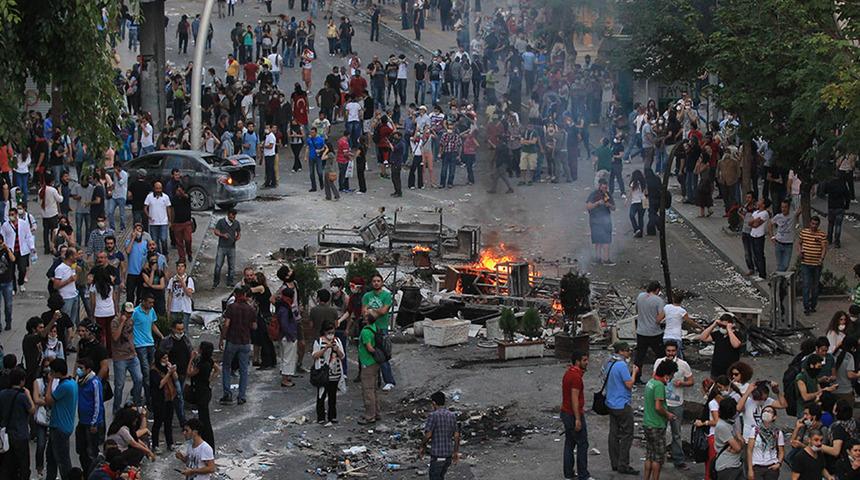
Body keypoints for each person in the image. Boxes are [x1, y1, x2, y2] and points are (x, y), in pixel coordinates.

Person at [654, 340, 694, 470]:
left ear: (676, 351)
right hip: (662, 402)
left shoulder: (683, 365)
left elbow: (691, 381)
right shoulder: (659, 362)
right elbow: (654, 378)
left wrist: (682, 383)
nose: (670, 353)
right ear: (665, 351)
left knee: (676, 433)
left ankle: (678, 460)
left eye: (673, 351)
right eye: (668, 351)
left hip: (677, 404)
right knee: (660, 432)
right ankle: (658, 459)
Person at [603, 341, 639, 475]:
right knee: (626, 435)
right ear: (622, 351)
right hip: (622, 404)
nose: (629, 352)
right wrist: (634, 372)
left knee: (613, 434)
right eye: (628, 350)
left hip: (610, 403)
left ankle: (615, 462)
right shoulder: (621, 365)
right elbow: (629, 384)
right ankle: (623, 464)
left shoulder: (609, 363)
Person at [643, 359, 678, 480]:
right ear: (667, 375)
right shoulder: (659, 386)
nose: (672, 378)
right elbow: (658, 407)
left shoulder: (650, 382)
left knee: (649, 455)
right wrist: (668, 414)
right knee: (658, 458)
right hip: (656, 425)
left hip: (647, 423)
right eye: (672, 375)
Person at [219, 286, 255, 405]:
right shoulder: (251, 309)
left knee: (226, 367)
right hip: (245, 342)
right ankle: (242, 396)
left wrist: (221, 338)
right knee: (244, 370)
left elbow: (226, 324)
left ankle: (227, 394)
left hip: (232, 340)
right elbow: (254, 326)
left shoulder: (231, 307)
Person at [0, 367, 36, 480]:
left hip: (6, 434)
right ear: (22, 381)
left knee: (7, 465)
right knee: (23, 465)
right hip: (20, 435)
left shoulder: (2, 394)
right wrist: (29, 394)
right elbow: (32, 410)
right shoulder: (22, 397)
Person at [560, 350, 591, 480]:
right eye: (584, 360)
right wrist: (578, 419)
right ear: (577, 361)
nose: (587, 362)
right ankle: (583, 475)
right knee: (582, 444)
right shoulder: (576, 377)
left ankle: (568, 474)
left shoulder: (569, 373)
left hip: (566, 412)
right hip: (573, 414)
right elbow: (574, 398)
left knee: (569, 443)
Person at [45, 358, 78, 480]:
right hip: (62, 425)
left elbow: (48, 400)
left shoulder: (64, 386)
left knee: (62, 460)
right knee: (51, 457)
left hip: (60, 427)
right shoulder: (72, 383)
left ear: (57, 372)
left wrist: (49, 382)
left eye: (52, 372)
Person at [362, 273, 395, 390]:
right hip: (370, 328)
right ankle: (374, 379)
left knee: (382, 355)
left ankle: (389, 381)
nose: (376, 283)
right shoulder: (366, 296)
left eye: (378, 281)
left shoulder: (386, 295)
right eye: (374, 281)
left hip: (382, 328)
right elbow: (364, 312)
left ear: (382, 282)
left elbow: (384, 311)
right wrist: (376, 311)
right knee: (369, 353)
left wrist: (371, 310)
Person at [419, 391, 460, 480]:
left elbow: (428, 435)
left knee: (434, 477)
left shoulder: (433, 415)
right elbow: (456, 436)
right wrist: (455, 452)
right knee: (441, 476)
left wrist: (422, 446)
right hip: (448, 455)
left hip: (437, 455)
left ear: (434, 403)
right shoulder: (452, 415)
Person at [159, 319, 192, 427]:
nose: (180, 332)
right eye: (178, 330)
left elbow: (190, 352)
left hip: (183, 373)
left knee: (179, 396)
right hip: (172, 374)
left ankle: (178, 418)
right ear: (173, 329)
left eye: (182, 329)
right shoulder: (166, 342)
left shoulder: (185, 339)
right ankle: (182, 420)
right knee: (178, 397)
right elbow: (161, 357)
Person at [74, 357, 105, 475]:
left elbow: (98, 404)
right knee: (81, 451)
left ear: (88, 369)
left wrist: (94, 422)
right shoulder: (80, 381)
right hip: (82, 421)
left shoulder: (95, 382)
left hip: (91, 423)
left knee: (92, 452)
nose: (78, 370)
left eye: (81, 368)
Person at [111, 302, 143, 412]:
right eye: (127, 313)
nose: (129, 315)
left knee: (139, 379)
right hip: (119, 357)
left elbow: (130, 335)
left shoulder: (131, 321)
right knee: (119, 385)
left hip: (131, 355)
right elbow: (115, 337)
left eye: (131, 313)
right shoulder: (115, 322)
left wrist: (133, 349)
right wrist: (122, 322)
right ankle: (116, 408)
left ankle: (137, 403)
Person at [132, 294, 162, 408]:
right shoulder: (135, 312)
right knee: (146, 372)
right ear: (143, 301)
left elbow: (152, 325)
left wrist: (161, 336)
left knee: (152, 370)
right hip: (140, 345)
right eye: (149, 302)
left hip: (150, 343)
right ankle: (148, 400)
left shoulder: (151, 311)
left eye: (152, 303)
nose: (151, 305)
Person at [312, 320, 344, 425]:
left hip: (335, 373)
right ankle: (321, 416)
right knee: (321, 395)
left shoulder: (337, 341)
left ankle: (332, 416)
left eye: (332, 332)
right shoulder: (318, 341)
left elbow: (342, 356)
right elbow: (315, 356)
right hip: (323, 374)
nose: (331, 334)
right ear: (324, 332)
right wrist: (325, 349)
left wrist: (336, 349)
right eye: (329, 332)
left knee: (332, 396)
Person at [186, 341, 217, 448]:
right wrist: (209, 379)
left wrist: (190, 359)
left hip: (200, 393)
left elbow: (189, 373)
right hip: (205, 390)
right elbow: (217, 369)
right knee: (204, 418)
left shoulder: (201, 364)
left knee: (204, 420)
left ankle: (208, 443)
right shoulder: (209, 361)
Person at [634, 281, 666, 379]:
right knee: (661, 356)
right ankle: (662, 375)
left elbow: (637, 310)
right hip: (654, 333)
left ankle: (636, 377)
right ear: (657, 290)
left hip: (641, 332)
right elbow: (658, 319)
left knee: (639, 357)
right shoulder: (658, 300)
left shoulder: (640, 296)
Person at [700, 313, 746, 378]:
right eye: (721, 326)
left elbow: (736, 345)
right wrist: (714, 325)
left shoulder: (737, 334)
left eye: (724, 326)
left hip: (730, 370)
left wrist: (729, 330)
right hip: (716, 370)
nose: (722, 328)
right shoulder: (718, 334)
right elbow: (703, 338)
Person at [797, 216, 827, 315]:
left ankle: (813, 304)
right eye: (812, 223)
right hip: (805, 263)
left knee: (815, 286)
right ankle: (806, 307)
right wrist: (800, 252)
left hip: (816, 264)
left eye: (816, 224)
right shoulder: (804, 232)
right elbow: (799, 243)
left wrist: (821, 259)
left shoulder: (821, 235)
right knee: (806, 285)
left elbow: (824, 248)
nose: (814, 226)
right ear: (810, 223)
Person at [746, 405, 785, 480]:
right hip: (757, 467)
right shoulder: (755, 430)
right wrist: (750, 469)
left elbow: (781, 451)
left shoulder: (777, 433)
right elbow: (749, 450)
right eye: (764, 411)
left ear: (774, 417)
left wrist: (779, 463)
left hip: (771, 467)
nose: (766, 413)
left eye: (769, 411)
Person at [149, 350, 177, 452]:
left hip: (169, 398)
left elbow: (176, 378)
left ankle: (170, 443)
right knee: (158, 422)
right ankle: (155, 445)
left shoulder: (167, 368)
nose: (166, 360)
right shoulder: (154, 371)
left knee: (168, 422)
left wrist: (172, 371)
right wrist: (168, 373)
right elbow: (160, 384)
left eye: (167, 358)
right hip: (159, 399)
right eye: (164, 358)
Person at [714, 397, 745, 480]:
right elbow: (738, 448)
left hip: (735, 464)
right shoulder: (722, 426)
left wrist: (738, 441)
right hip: (726, 467)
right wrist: (738, 437)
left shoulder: (731, 422)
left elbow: (741, 444)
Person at [586, 178, 616, 265]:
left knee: (606, 240)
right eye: (603, 188)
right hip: (595, 220)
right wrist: (597, 203)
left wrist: (609, 205)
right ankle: (597, 259)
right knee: (598, 241)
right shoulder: (593, 195)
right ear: (599, 186)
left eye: (606, 188)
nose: (605, 189)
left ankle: (606, 259)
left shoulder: (608, 195)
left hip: (606, 220)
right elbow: (588, 207)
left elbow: (614, 208)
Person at [358, 314, 380, 425]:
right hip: (375, 363)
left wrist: (375, 353)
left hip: (367, 363)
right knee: (374, 389)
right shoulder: (375, 327)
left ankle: (370, 416)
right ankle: (376, 412)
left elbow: (369, 348)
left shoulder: (365, 332)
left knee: (368, 391)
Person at [275, 286, 299, 388]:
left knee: (285, 356)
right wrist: (291, 335)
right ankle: (285, 379)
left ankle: (286, 375)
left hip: (283, 336)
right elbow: (285, 324)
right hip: (288, 336)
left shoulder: (281, 306)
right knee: (288, 358)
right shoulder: (285, 308)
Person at [212, 209, 240, 288]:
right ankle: (216, 282)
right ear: (228, 214)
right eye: (232, 216)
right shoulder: (221, 222)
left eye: (234, 216)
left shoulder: (236, 223)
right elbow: (216, 231)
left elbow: (239, 232)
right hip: (222, 247)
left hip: (232, 247)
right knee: (218, 265)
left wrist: (237, 238)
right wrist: (222, 235)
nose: (233, 218)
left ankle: (230, 282)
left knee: (232, 266)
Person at [53, 247, 80, 327]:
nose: (78, 256)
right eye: (76, 255)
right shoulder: (60, 269)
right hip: (66, 298)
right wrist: (68, 280)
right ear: (71, 256)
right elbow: (56, 286)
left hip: (74, 295)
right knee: (65, 321)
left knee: (72, 321)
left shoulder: (73, 266)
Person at [167, 260, 195, 332]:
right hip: (174, 308)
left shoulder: (189, 279)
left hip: (184, 308)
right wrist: (168, 309)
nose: (180, 268)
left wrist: (183, 283)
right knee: (173, 330)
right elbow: (170, 295)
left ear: (185, 268)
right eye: (178, 266)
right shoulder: (172, 279)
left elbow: (189, 294)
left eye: (182, 266)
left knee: (184, 330)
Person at [143, 181, 171, 256]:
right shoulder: (149, 196)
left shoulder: (165, 197)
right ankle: (158, 254)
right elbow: (145, 207)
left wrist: (169, 220)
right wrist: (148, 215)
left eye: (160, 188)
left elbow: (168, 208)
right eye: (157, 188)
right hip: (153, 222)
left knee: (163, 239)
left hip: (163, 222)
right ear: (154, 188)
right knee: (155, 240)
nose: (158, 190)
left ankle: (165, 254)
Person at [770, 199, 795, 272]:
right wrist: (772, 236)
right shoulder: (778, 216)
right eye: (782, 207)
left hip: (788, 244)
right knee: (780, 264)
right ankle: (779, 281)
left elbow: (800, 209)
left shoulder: (793, 215)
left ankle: (776, 278)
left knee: (785, 265)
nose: (783, 209)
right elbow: (770, 224)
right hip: (778, 243)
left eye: (785, 207)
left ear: (789, 208)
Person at [749, 198, 770, 281]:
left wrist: (753, 222)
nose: (758, 201)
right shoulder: (756, 212)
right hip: (753, 234)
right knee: (755, 254)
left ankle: (762, 274)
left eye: (760, 201)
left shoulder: (765, 214)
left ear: (763, 204)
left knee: (759, 255)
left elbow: (755, 225)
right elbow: (750, 222)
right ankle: (758, 271)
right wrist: (753, 221)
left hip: (759, 235)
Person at [0, 234, 15, 330]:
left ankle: (8, 321)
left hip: (7, 282)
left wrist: (7, 249)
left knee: (8, 305)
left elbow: (13, 259)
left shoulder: (6, 250)